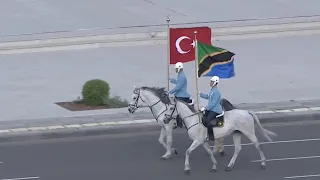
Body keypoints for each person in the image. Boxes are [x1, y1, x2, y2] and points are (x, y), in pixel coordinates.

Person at [199, 75, 223, 141]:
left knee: (208, 121)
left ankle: (211, 136)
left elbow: (213, 103)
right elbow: (208, 96)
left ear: (215, 82)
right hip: (211, 108)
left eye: (212, 81)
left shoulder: (216, 92)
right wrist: (200, 94)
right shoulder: (212, 90)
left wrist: (205, 108)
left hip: (215, 110)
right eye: (211, 81)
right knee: (202, 118)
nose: (210, 83)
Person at [169, 62, 192, 127]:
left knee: (178, 110)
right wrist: (172, 80)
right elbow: (179, 83)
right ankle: (178, 123)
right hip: (179, 95)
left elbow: (178, 87)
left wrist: (170, 92)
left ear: (179, 68)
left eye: (176, 69)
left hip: (181, 96)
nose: (175, 70)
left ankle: (179, 124)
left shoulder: (182, 76)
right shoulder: (180, 75)